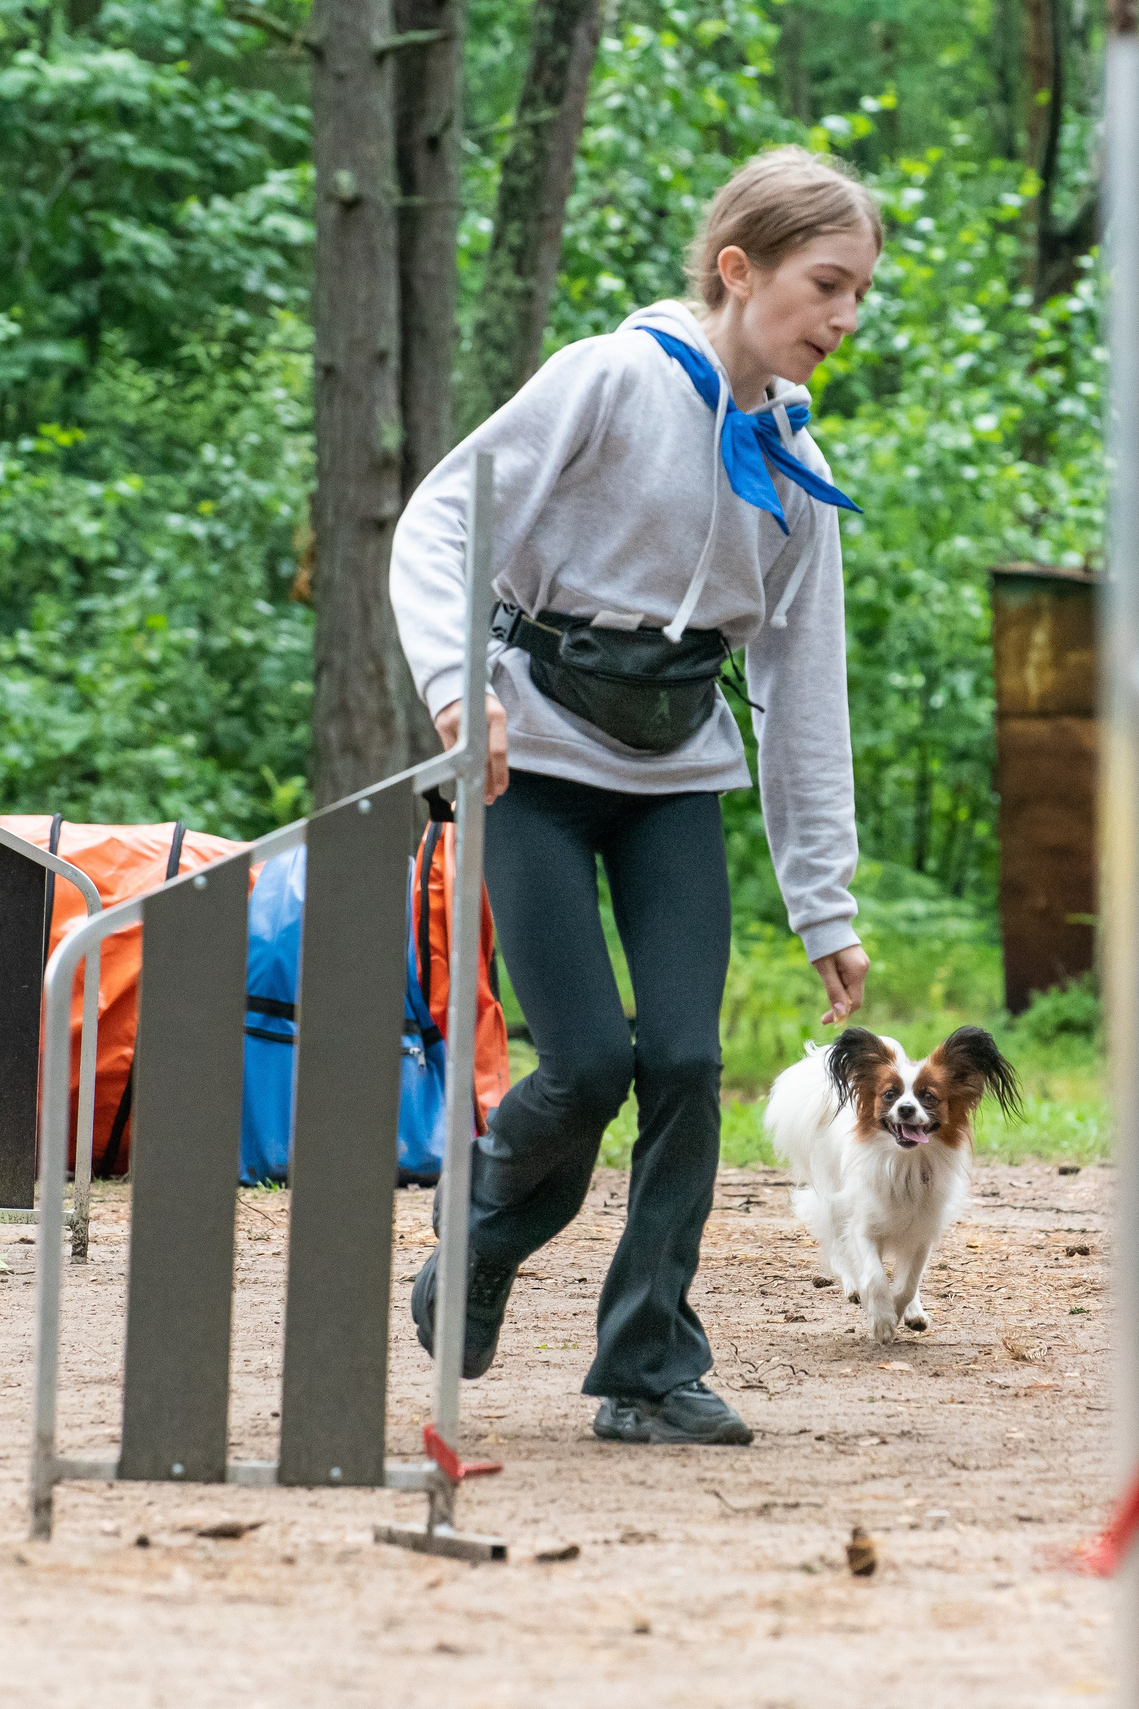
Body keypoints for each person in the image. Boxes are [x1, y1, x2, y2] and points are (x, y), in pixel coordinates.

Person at [386, 147, 880, 1446]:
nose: (842, 318)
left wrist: (823, 899)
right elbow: (441, 519)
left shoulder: (795, 459)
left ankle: (648, 1363)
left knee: (686, 1057)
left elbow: (804, 685)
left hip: (675, 774)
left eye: (859, 296)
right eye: (825, 285)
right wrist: (455, 690)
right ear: (739, 269)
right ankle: (486, 1227)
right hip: (535, 759)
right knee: (591, 1060)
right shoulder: (612, 380)